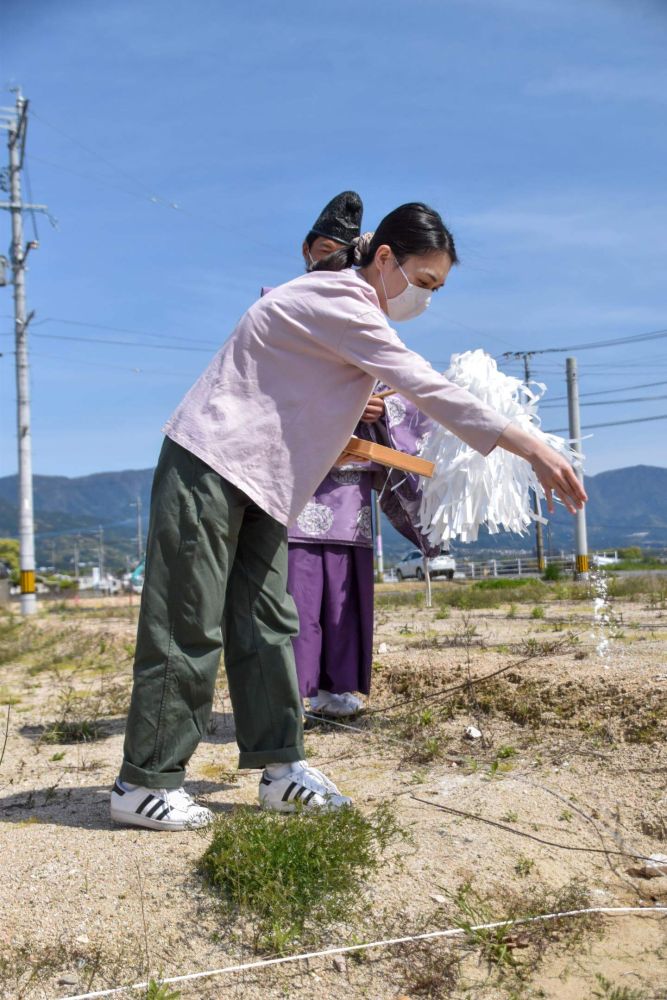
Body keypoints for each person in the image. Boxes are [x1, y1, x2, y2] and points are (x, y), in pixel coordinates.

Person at [110, 201, 586, 831]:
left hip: (265, 480)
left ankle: (280, 768)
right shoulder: (342, 301)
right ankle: (142, 781)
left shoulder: (350, 311)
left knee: (268, 623)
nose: (425, 299)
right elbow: (422, 382)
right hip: (212, 461)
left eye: (437, 290)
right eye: (423, 282)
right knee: (187, 621)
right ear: (384, 259)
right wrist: (531, 446)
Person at [287, 191, 385, 718]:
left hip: (348, 472)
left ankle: (337, 686)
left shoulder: (364, 310)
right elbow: (273, 385)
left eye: (342, 252)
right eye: (324, 248)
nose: (331, 258)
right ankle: (295, 690)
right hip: (301, 468)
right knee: (299, 588)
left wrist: (377, 405)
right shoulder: (282, 303)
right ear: (306, 249)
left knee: (345, 586)